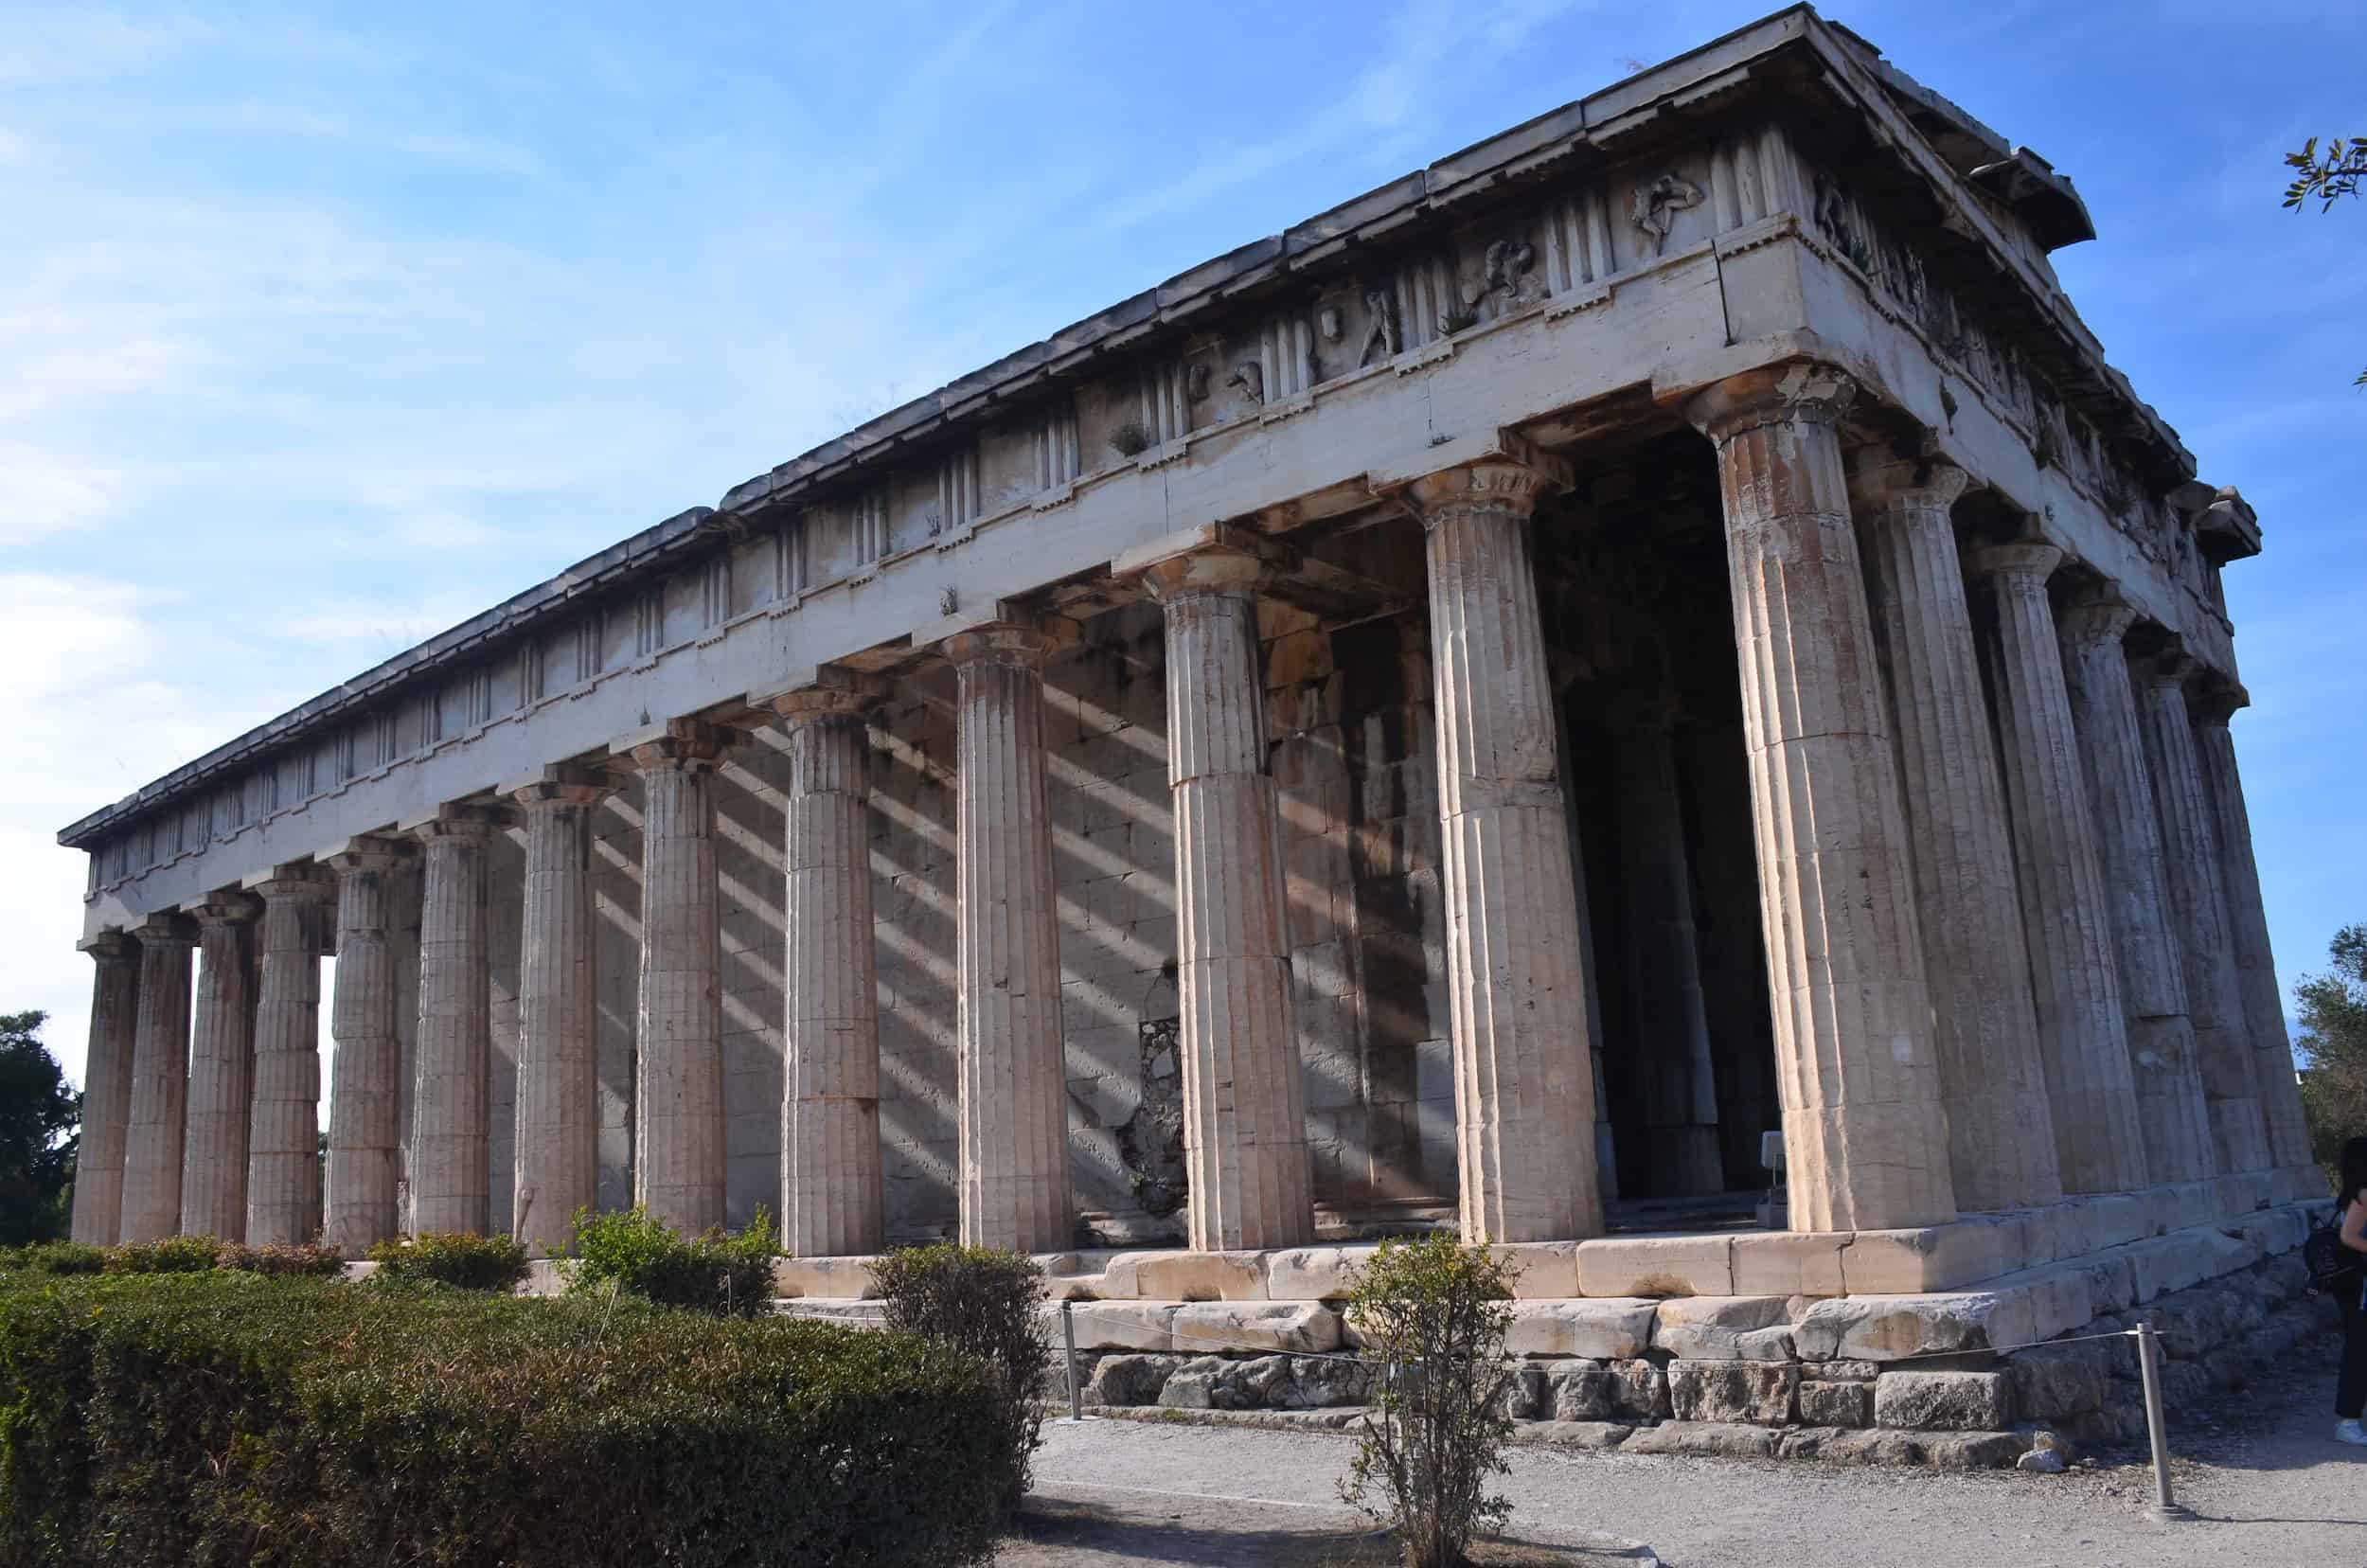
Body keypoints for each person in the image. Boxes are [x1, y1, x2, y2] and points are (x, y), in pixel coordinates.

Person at [2337, 1136, 2367, 1446]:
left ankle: (2349, 1420)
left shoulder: (2352, 1194)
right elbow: (2348, 1236)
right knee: (2358, 1355)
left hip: (2357, 1286)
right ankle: (2348, 1422)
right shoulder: (2364, 1194)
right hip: (2363, 1289)